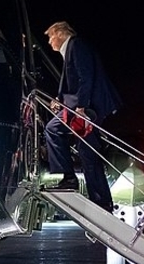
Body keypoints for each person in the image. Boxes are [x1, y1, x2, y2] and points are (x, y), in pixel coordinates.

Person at [43, 21, 122, 212]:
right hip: (82, 105)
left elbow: (86, 77)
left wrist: (81, 107)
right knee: (87, 152)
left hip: (89, 107)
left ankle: (71, 179)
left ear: (61, 33)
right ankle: (101, 200)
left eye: (50, 36)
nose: (49, 42)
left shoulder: (76, 45)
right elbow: (76, 83)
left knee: (53, 129)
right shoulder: (71, 49)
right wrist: (59, 100)